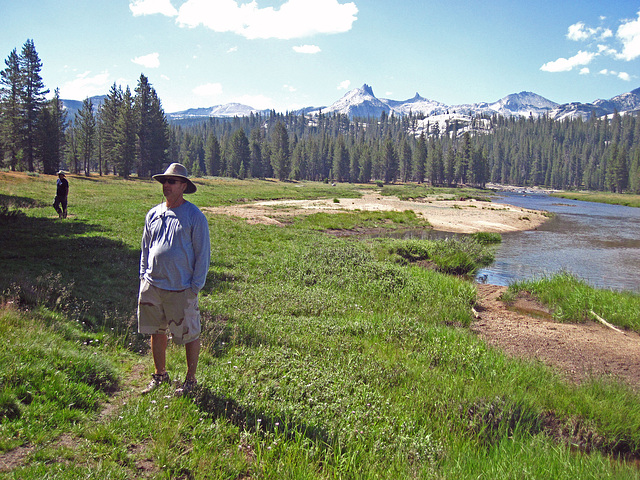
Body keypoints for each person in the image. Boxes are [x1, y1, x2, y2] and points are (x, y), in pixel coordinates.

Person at [138, 163, 211, 396]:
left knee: (190, 334)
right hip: (153, 285)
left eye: (172, 181)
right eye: (164, 181)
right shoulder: (153, 213)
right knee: (155, 331)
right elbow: (145, 249)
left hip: (181, 289)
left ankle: (190, 381)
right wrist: (143, 277)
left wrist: (194, 287)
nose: (166, 185)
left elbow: (203, 254)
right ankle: (160, 375)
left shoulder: (194, 216)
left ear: (183, 186)